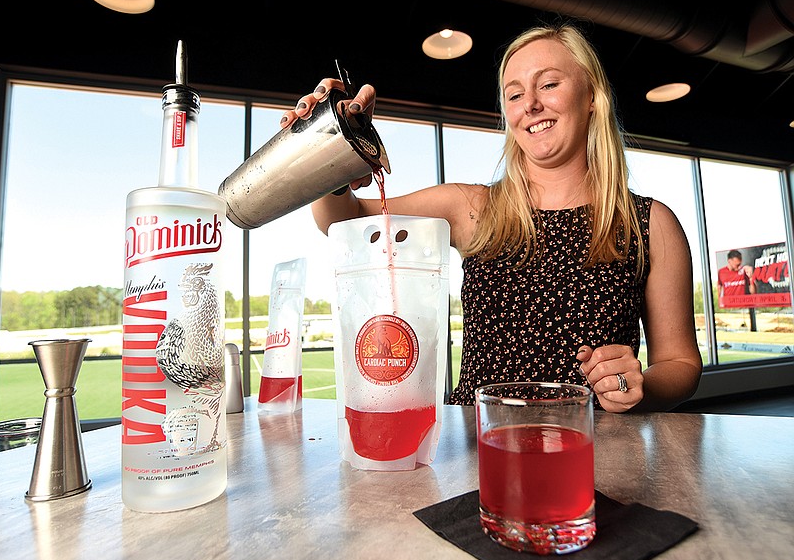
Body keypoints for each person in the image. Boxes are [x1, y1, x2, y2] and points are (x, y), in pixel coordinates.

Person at [280, 22, 703, 413]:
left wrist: (637, 383)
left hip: (592, 451)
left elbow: (680, 363)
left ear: (592, 97)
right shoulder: (474, 208)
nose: (531, 105)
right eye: (515, 94)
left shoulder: (650, 223)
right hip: (478, 450)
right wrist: (329, 145)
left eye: (549, 84)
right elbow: (344, 221)